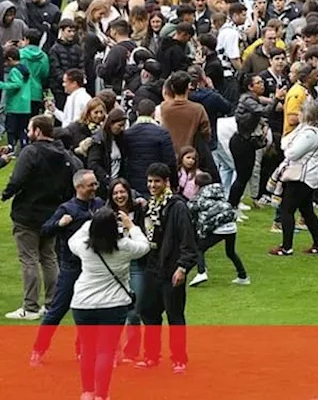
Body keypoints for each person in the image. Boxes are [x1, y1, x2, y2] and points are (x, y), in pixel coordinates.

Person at [3, 114, 81, 320]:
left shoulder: (31, 152)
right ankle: (51, 303)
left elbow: (17, 179)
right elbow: (73, 178)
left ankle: (30, 307)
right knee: (49, 258)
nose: (29, 133)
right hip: (52, 213)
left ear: (37, 131)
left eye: (30, 129)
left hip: (27, 214)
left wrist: (6, 194)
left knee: (29, 259)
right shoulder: (63, 155)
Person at [68, 206, 150, 400]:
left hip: (83, 304)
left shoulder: (84, 247)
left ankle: (87, 392)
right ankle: (101, 395)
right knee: (106, 350)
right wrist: (131, 226)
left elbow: (73, 239)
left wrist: (92, 222)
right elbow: (144, 246)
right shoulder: (125, 247)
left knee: (88, 349)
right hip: (113, 306)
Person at [31, 168, 103, 365]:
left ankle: (83, 350)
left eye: (95, 184)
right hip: (71, 268)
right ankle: (39, 349)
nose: (95, 188)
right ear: (78, 187)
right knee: (59, 308)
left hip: (93, 268)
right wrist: (60, 225)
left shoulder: (98, 204)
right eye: (91, 185)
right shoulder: (67, 209)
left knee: (91, 310)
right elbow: (45, 230)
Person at [137, 162, 198, 372]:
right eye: (150, 181)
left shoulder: (177, 206)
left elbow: (188, 240)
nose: (152, 185)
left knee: (175, 315)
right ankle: (152, 355)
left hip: (171, 269)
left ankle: (179, 359)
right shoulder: (150, 205)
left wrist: (183, 267)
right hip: (152, 268)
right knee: (147, 311)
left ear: (166, 182)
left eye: (157, 181)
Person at [268, 100, 318, 256]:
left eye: (300, 112)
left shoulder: (310, 134)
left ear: (307, 114)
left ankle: (286, 247)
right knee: (307, 211)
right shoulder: (305, 130)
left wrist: (289, 146)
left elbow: (291, 153)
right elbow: (284, 143)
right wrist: (291, 141)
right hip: (305, 176)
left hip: (301, 177)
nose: (297, 115)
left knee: (287, 209)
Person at [190, 171, 248, 286]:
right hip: (232, 227)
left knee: (199, 248)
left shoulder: (200, 199)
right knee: (230, 252)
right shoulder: (220, 195)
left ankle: (201, 272)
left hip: (218, 229)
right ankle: (243, 276)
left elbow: (191, 210)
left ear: (197, 186)